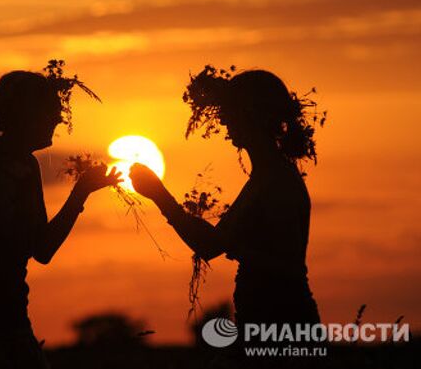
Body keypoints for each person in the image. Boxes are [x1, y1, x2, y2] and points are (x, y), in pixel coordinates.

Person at [0, 66, 122, 369]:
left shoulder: (26, 167)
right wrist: (80, 193)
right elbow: (35, 247)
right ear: (26, 116)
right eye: (51, 112)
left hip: (9, 323)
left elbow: (41, 249)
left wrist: (82, 192)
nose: (59, 119)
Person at [130, 69, 322, 362]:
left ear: (253, 115)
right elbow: (215, 244)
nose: (222, 120)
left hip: (282, 322)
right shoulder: (267, 177)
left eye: (230, 111)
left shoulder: (275, 181)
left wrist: (160, 196)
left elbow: (217, 247)